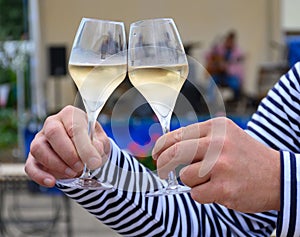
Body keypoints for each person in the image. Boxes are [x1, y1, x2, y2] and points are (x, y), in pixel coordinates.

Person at [24, 62, 300, 236]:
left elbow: (273, 179)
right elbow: (219, 224)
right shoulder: (295, 88)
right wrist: (98, 163)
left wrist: (282, 180)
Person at [205, 30, 245, 100]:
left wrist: (227, 68)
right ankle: (209, 101)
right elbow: (207, 56)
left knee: (236, 84)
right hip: (219, 76)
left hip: (230, 77)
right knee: (212, 80)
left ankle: (235, 100)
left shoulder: (237, 52)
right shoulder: (220, 49)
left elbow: (238, 69)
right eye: (227, 40)